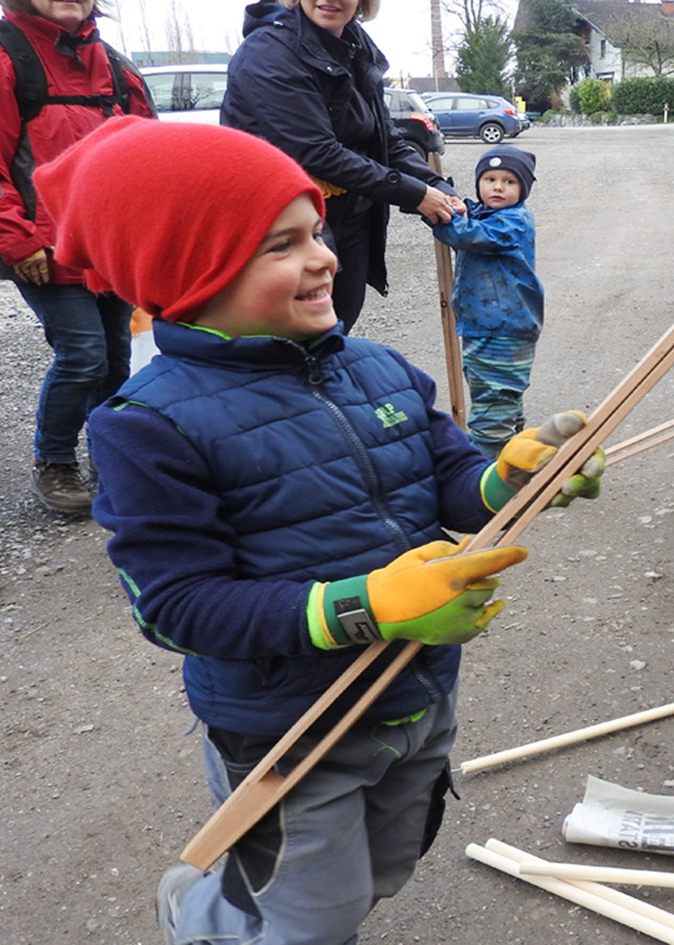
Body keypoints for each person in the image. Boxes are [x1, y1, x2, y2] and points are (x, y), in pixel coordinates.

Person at [33, 117, 604, 945]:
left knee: (386, 866)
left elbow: (453, 489)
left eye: (318, 230)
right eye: (282, 245)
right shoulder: (146, 425)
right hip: (288, 728)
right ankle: (204, 919)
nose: (326, 257)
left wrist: (513, 477)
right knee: (309, 915)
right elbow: (175, 607)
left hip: (415, 690)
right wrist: (364, 604)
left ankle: (240, 906)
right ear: (190, 273)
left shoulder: (378, 367)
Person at [221, 0, 461, 332]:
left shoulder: (355, 45)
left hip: (349, 218)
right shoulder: (267, 54)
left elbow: (384, 140)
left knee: (337, 330)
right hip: (283, 229)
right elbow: (316, 151)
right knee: (295, 343)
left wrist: (438, 188)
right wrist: (416, 194)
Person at [0, 0, 154, 514]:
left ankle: (109, 460)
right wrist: (18, 240)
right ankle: (55, 461)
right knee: (83, 354)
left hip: (109, 243)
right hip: (43, 245)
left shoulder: (113, 64)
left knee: (115, 356)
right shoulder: (9, 55)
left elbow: (147, 151)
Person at [433, 145, 542, 457]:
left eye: (509, 181)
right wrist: (454, 201)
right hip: (483, 327)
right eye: (490, 179)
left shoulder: (514, 221)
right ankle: (517, 463)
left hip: (503, 331)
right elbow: (471, 217)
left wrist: (436, 215)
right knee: (502, 402)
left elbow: (469, 235)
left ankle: (487, 478)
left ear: (523, 189)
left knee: (492, 410)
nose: (498, 187)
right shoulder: (486, 213)